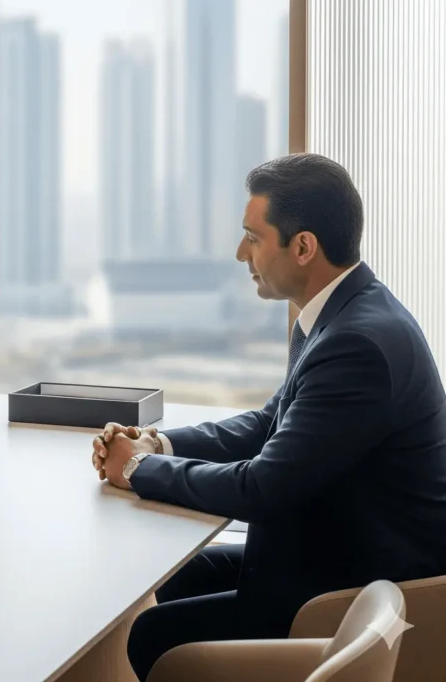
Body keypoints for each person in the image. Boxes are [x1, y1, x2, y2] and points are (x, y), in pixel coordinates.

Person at [90, 153, 446, 681]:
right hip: (329, 549)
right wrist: (155, 445)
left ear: (303, 246)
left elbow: (262, 488)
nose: (240, 253)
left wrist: (136, 470)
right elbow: (268, 425)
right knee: (173, 575)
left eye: (253, 237)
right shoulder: (339, 313)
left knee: (152, 633)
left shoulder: (357, 344)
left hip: (357, 584)